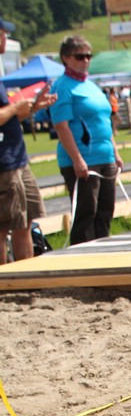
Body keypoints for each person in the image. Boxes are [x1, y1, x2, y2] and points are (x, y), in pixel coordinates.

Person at [49, 35, 123, 247]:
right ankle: (83, 256)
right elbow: (62, 126)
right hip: (83, 158)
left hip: (105, 155)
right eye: (80, 56)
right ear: (66, 58)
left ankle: (104, 253)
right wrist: (77, 159)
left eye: (89, 56)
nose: (86, 60)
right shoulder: (62, 87)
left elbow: (103, 121)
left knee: (105, 210)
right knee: (86, 213)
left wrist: (115, 152)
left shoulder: (91, 86)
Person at [0, 18, 57, 263]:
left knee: (25, 222)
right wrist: (16, 108)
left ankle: (25, 274)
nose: (5, 39)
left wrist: (32, 108)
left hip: (16, 158)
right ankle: (5, 279)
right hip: (4, 163)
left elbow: (7, 117)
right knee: (3, 226)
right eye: (3, 33)